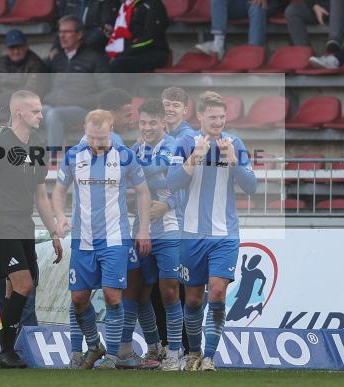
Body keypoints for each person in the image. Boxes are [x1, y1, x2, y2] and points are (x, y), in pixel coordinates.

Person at [52, 110, 152, 369]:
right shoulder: (74, 155)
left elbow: (142, 190)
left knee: (112, 296)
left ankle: (114, 355)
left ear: (112, 130)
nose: (97, 143)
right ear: (84, 131)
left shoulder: (124, 156)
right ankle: (95, 346)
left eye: (102, 137)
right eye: (92, 137)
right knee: (78, 299)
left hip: (114, 239)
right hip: (82, 239)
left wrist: (143, 229)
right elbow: (59, 190)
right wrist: (60, 217)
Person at [167, 91, 258, 371]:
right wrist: (194, 159)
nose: (218, 121)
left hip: (224, 235)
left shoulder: (235, 143)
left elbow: (252, 187)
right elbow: (172, 182)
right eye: (213, 116)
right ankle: (193, 352)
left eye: (222, 116)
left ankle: (209, 357)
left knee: (217, 293)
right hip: (191, 235)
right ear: (201, 117)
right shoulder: (185, 142)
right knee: (193, 299)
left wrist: (235, 163)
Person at [0, 90, 63, 368]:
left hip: (25, 223)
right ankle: (6, 351)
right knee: (23, 284)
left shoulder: (37, 144)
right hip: (3, 223)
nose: (41, 116)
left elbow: (40, 194)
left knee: (13, 290)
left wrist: (53, 232)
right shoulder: (0, 145)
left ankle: (7, 351)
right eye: (36, 111)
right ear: (19, 113)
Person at [132, 99, 185, 371]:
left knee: (169, 291)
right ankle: (154, 347)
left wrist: (168, 203)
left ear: (163, 123)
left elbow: (180, 182)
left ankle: (175, 351)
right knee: (140, 293)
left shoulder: (174, 147)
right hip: (140, 229)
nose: (147, 127)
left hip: (169, 230)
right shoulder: (135, 148)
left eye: (153, 122)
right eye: (143, 123)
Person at [43, 15, 112, 150]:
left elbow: (108, 91)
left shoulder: (95, 58)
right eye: (60, 32)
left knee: (54, 115)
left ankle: (54, 162)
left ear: (79, 34)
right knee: (22, 111)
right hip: (53, 106)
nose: (62, 36)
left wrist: (87, 102)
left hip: (83, 110)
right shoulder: (57, 59)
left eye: (67, 32)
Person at [106, 0, 170, 73]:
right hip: (134, 51)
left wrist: (124, 52)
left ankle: (124, 90)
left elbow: (151, 38)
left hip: (154, 52)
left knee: (118, 64)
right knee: (99, 60)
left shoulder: (153, 3)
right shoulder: (130, 4)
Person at [0, 29, 48, 97]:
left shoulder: (36, 64)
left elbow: (30, 94)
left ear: (26, 46)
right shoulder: (1, 64)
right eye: (12, 48)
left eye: (19, 47)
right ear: (7, 49)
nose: (16, 51)